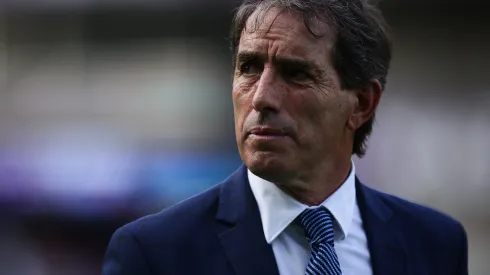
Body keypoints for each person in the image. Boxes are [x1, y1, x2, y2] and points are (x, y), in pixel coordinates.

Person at [102, 0, 468, 274]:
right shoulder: (154, 253)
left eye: (295, 74)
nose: (261, 97)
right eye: (248, 67)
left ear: (361, 103)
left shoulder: (435, 244)